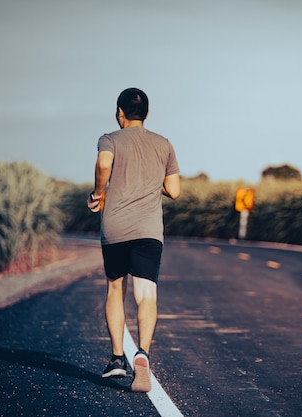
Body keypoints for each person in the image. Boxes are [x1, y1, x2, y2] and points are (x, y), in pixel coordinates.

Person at [87, 87, 181, 392]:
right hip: (148, 231)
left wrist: (98, 192)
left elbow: (104, 164)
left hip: (115, 228)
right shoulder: (163, 144)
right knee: (146, 294)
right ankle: (142, 353)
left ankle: (117, 359)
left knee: (116, 288)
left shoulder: (110, 139)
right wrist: (154, 184)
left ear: (119, 112)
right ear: (147, 114)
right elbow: (175, 190)